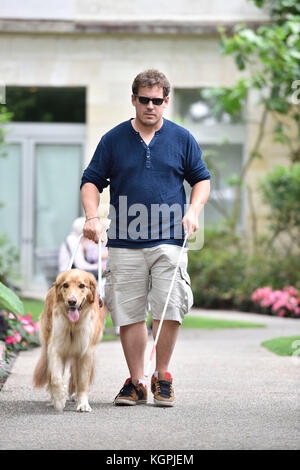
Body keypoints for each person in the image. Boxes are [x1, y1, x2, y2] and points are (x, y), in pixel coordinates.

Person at [80, 69, 211, 407]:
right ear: (134, 99)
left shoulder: (182, 138)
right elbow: (91, 181)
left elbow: (202, 180)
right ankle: (136, 381)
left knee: (171, 307)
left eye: (157, 100)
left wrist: (193, 211)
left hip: (170, 238)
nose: (150, 106)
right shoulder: (113, 139)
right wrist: (92, 217)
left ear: (166, 102)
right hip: (124, 241)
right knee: (128, 312)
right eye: (144, 100)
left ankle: (162, 375)